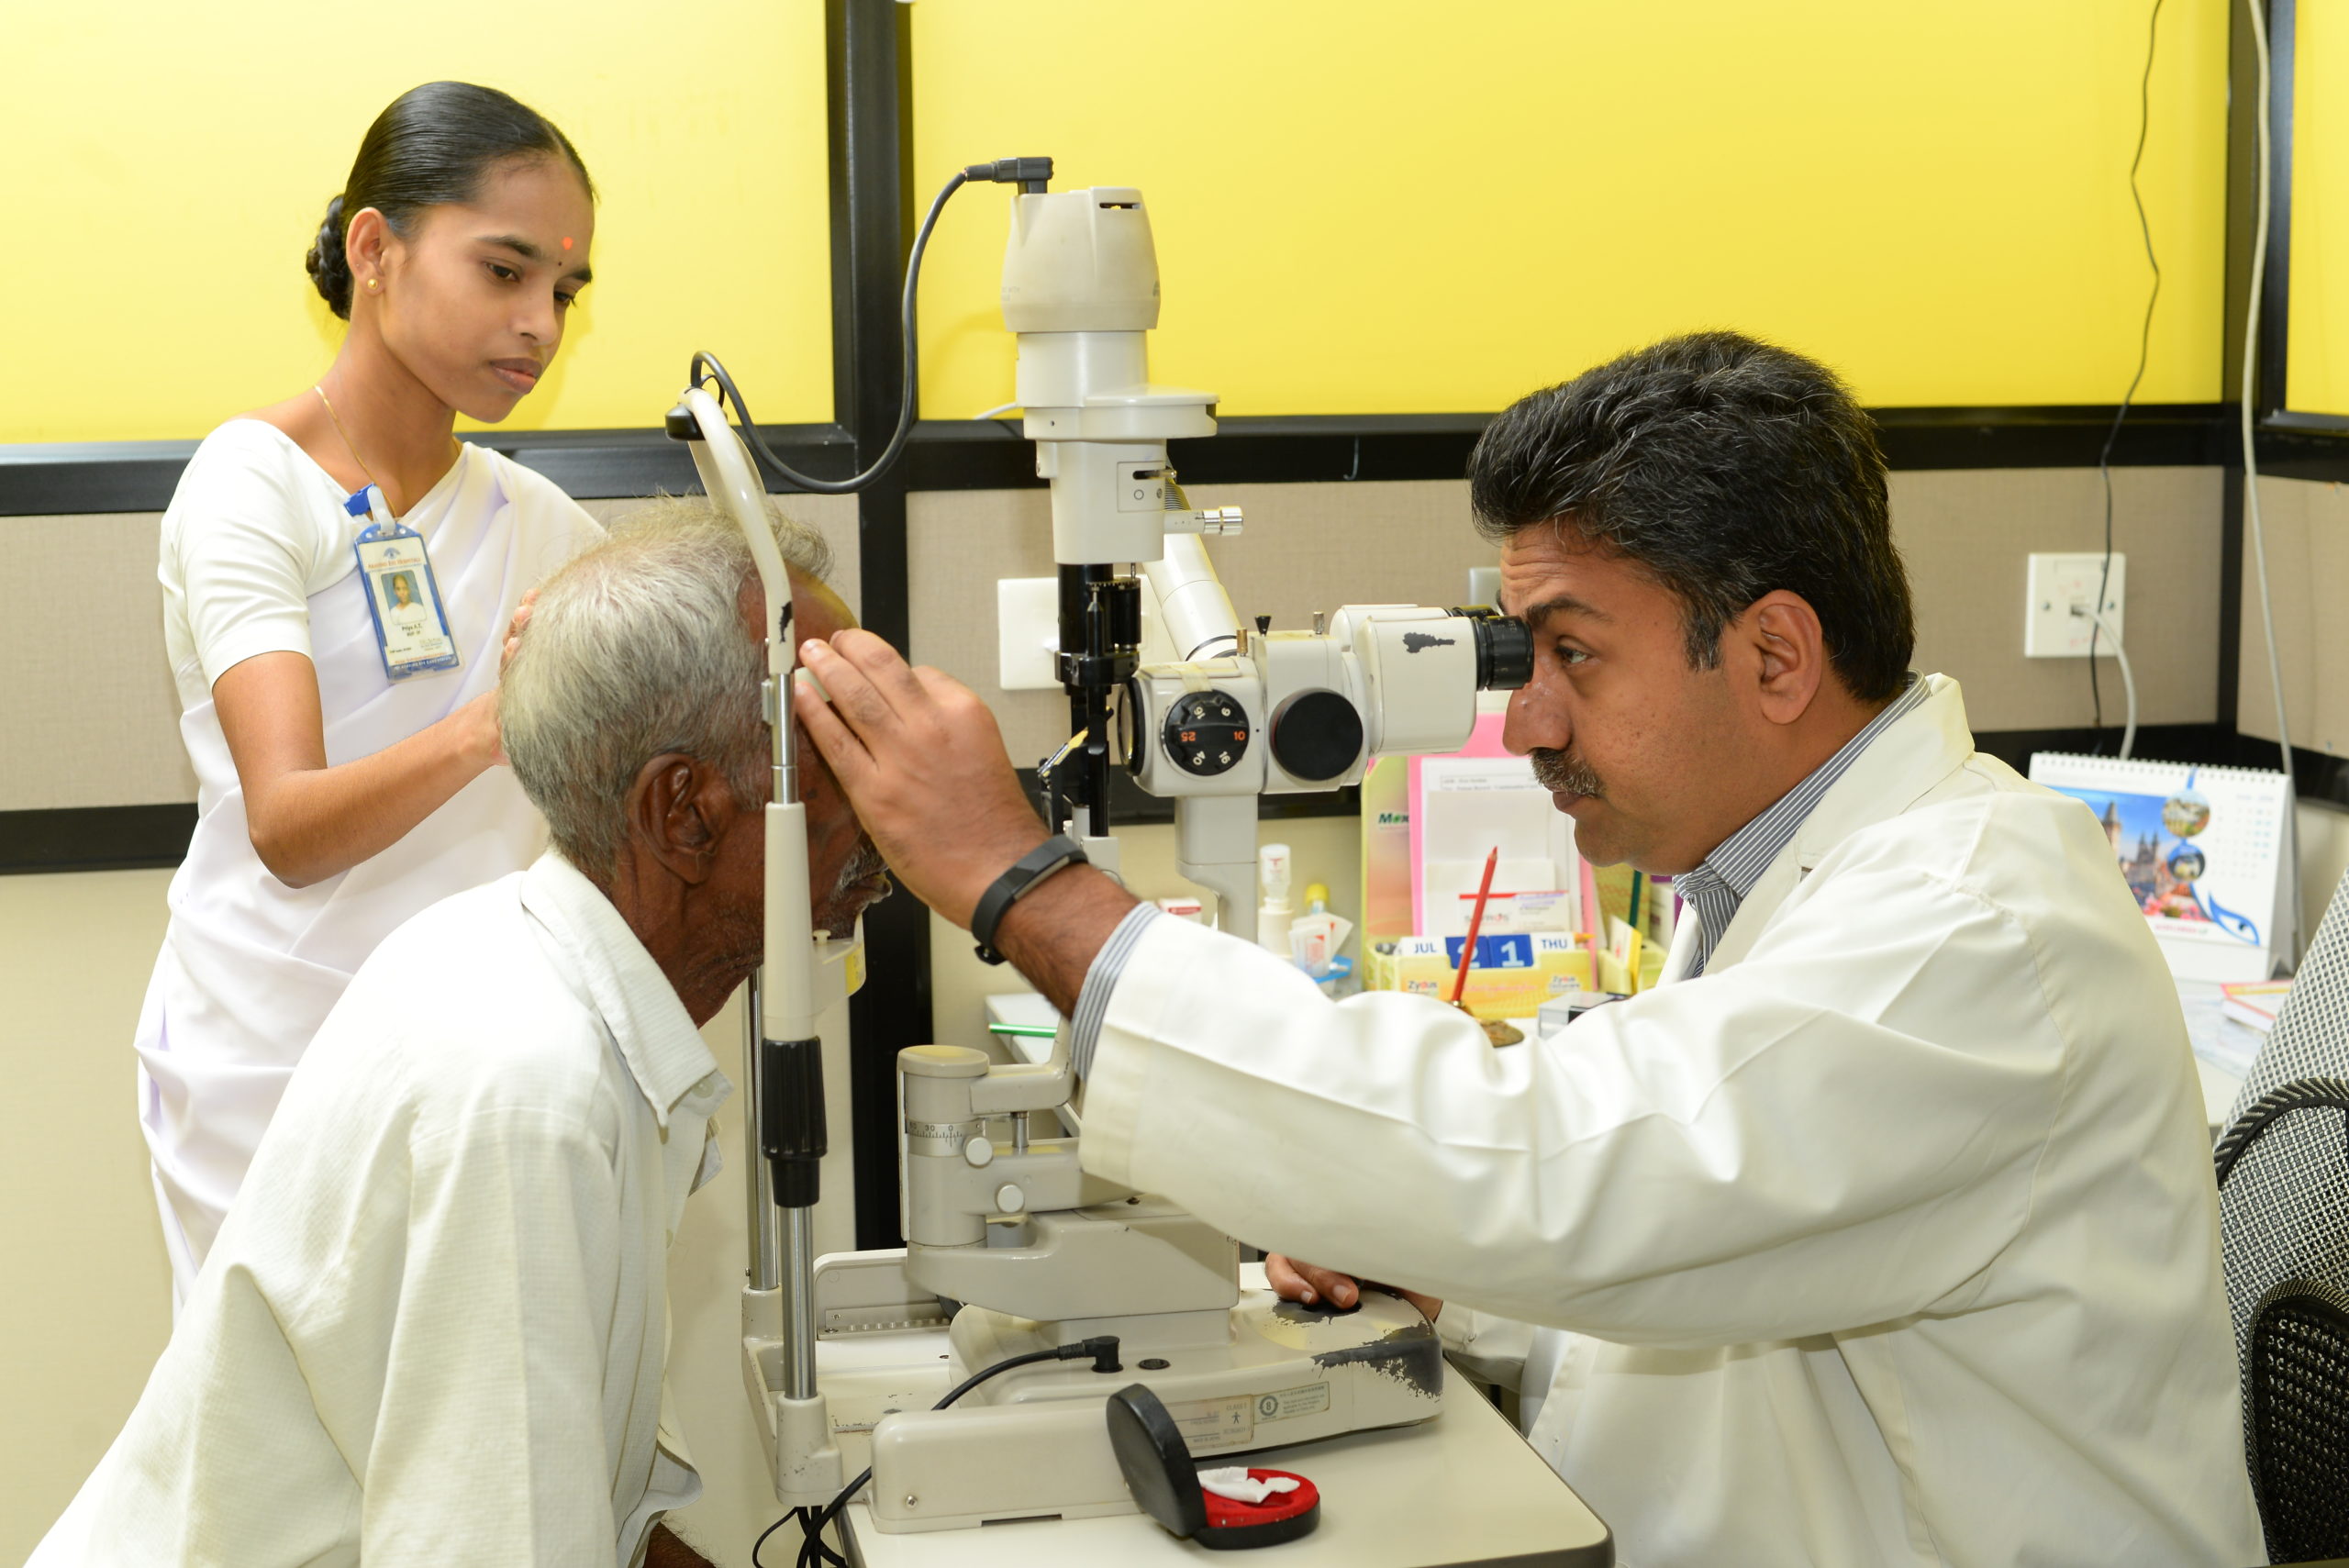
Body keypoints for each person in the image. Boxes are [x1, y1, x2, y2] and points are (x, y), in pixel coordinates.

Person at [790, 333, 2264, 1565]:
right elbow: (1705, 1215)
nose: (1531, 721)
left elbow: (1565, 1171)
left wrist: (1024, 885)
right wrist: (1438, 1265)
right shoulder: (1781, 876)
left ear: (1774, 655)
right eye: (1519, 657)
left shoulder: (1976, 929)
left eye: (1573, 652)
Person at [30, 501, 890, 1567]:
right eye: (842, 751)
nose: (890, 801)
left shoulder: (535, 972)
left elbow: (596, 1508)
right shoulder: (528, 1091)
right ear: (685, 813)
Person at [139, 81, 606, 1302]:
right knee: (290, 1470)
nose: (542, 324)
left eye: (563, 291)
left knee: (472, 1452)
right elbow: (288, 826)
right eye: (504, 272)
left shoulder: (532, 519)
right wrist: (489, 730)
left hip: (474, 1069)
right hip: (270, 1069)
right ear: (373, 248)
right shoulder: (253, 486)